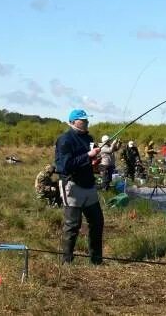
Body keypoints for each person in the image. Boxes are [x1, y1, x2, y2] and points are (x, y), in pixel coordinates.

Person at [55, 108, 104, 264]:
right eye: (83, 120)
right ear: (72, 122)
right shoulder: (65, 139)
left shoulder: (88, 138)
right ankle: (66, 261)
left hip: (89, 184)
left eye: (87, 120)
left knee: (97, 222)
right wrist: (88, 156)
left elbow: (87, 162)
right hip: (72, 185)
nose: (86, 122)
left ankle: (96, 260)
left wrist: (94, 162)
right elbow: (66, 166)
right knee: (72, 225)